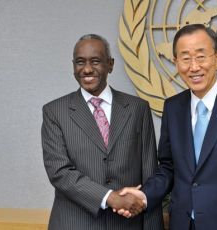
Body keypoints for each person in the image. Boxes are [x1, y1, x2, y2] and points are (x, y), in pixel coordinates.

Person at [119, 24, 217, 230]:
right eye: (185, 58)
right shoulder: (173, 107)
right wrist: (145, 195)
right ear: (176, 62)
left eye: (201, 56)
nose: (193, 67)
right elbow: (168, 168)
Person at [41, 34, 163, 230]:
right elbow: (59, 172)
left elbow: (149, 172)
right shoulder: (54, 112)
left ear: (110, 64)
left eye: (95, 61)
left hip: (127, 224)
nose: (87, 69)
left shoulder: (138, 109)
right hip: (74, 224)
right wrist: (109, 197)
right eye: (80, 62)